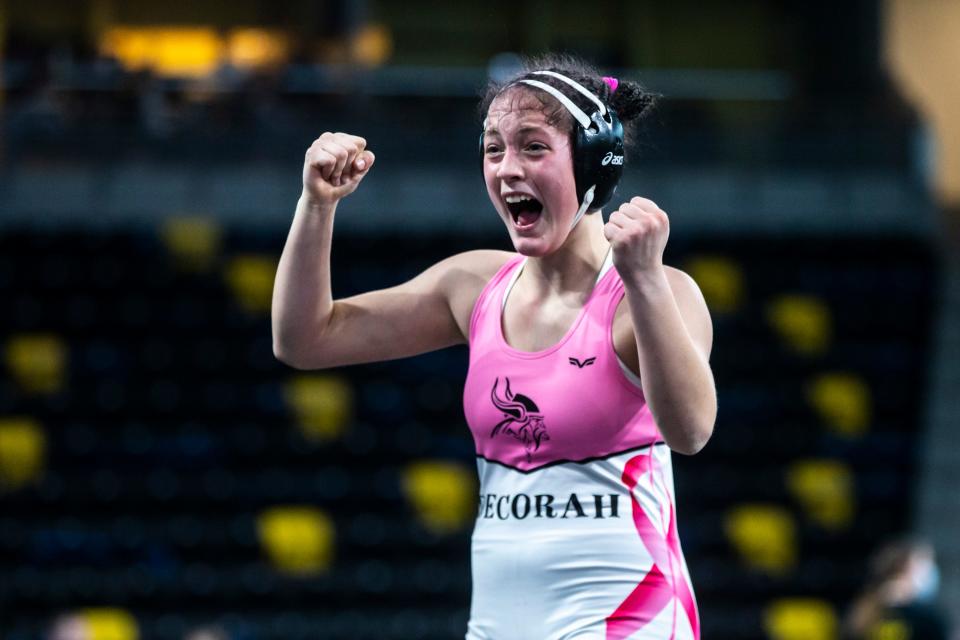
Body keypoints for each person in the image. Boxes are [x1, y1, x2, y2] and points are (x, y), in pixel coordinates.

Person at [272, 53, 716, 640]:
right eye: (493, 148)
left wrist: (645, 279)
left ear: (595, 168)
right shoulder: (475, 286)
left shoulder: (653, 293)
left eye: (533, 147)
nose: (508, 169)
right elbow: (305, 340)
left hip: (626, 619)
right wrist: (316, 207)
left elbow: (690, 432)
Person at [843, 538, 951, 640]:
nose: (928, 572)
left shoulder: (927, 614)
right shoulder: (925, 617)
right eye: (923, 565)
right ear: (902, 569)